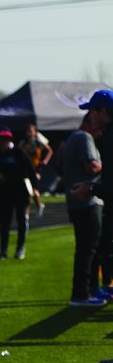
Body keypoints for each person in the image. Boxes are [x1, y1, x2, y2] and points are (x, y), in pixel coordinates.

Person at [63, 112, 105, 306]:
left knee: (85, 248)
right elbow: (91, 166)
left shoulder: (72, 138)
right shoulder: (84, 137)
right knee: (89, 249)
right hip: (86, 201)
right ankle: (82, 294)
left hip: (75, 201)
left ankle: (87, 291)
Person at [74, 89, 113, 296]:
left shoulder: (109, 139)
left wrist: (89, 188)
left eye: (92, 112)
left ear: (104, 111)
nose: (90, 117)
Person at [0, 128, 38, 260]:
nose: (1, 142)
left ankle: (20, 249)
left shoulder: (19, 152)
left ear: (9, 140)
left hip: (20, 191)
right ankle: (3, 251)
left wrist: (35, 188)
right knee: (4, 223)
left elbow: (30, 170)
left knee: (21, 221)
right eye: (0, 139)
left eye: (4, 139)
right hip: (5, 192)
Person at [19, 122, 52, 217]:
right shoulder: (23, 143)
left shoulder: (38, 142)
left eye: (31, 131)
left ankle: (37, 206)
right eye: (27, 131)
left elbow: (50, 150)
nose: (29, 133)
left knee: (33, 189)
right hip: (26, 170)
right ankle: (34, 207)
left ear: (34, 132)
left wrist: (45, 160)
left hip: (36, 169)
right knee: (28, 190)